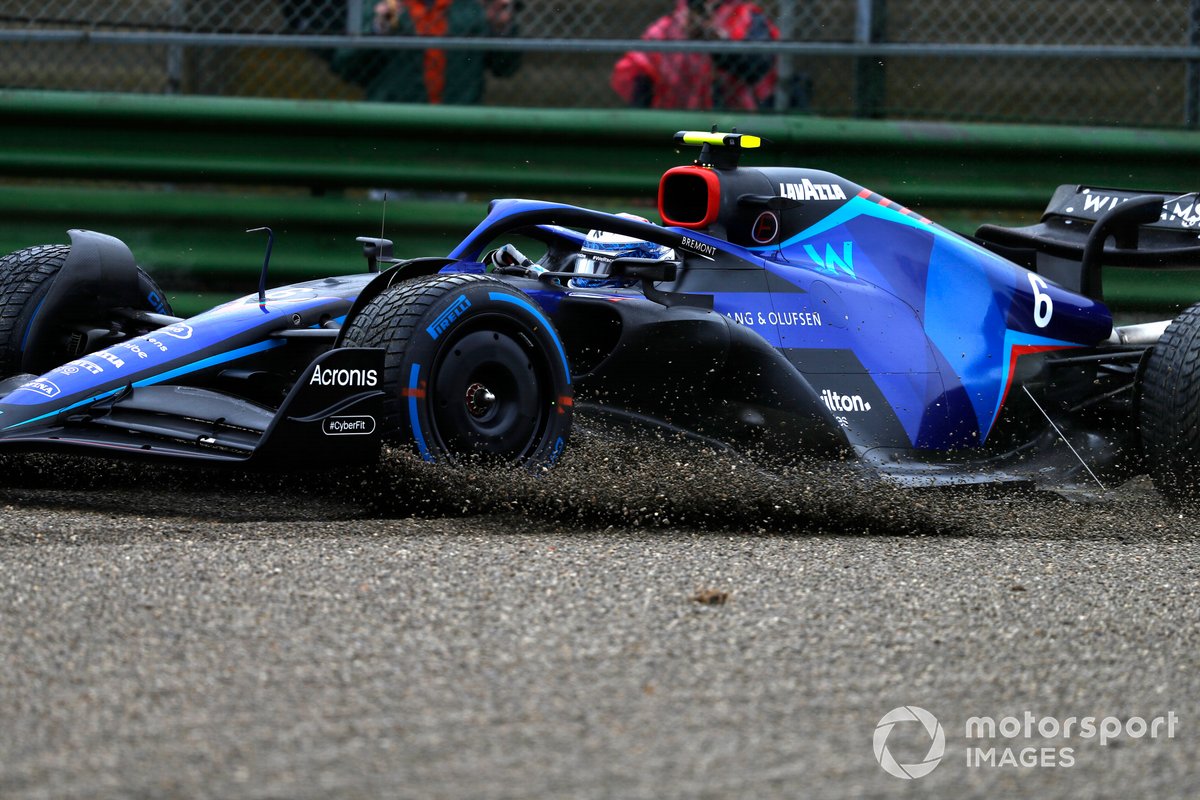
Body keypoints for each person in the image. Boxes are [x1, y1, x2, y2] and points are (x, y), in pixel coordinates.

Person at [332, 0, 521, 105]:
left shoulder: (472, 7)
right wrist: (378, 29)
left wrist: (501, 29)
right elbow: (346, 66)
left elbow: (504, 68)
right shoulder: (379, 5)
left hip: (460, 123)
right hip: (394, 122)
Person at [612, 0, 779, 111]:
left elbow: (758, 67)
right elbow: (639, 72)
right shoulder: (667, 27)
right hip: (673, 116)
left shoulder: (746, 17)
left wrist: (717, 40)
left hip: (731, 117)